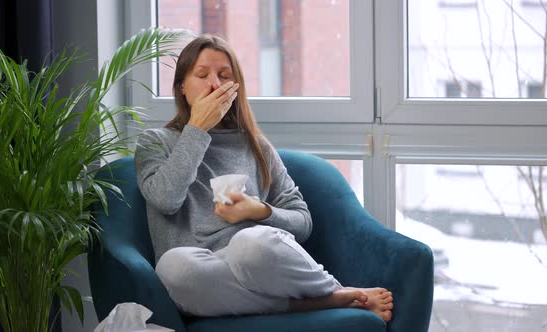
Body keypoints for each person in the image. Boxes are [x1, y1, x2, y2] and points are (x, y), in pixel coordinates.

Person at [134, 34, 393, 322]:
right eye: (202, 74)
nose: (214, 84)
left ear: (236, 87)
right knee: (173, 266)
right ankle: (326, 299)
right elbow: (165, 199)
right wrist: (197, 128)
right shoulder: (155, 142)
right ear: (182, 85)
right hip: (201, 275)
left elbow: (302, 222)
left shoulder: (255, 145)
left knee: (251, 245)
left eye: (224, 76)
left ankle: (330, 290)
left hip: (256, 264)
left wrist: (259, 210)